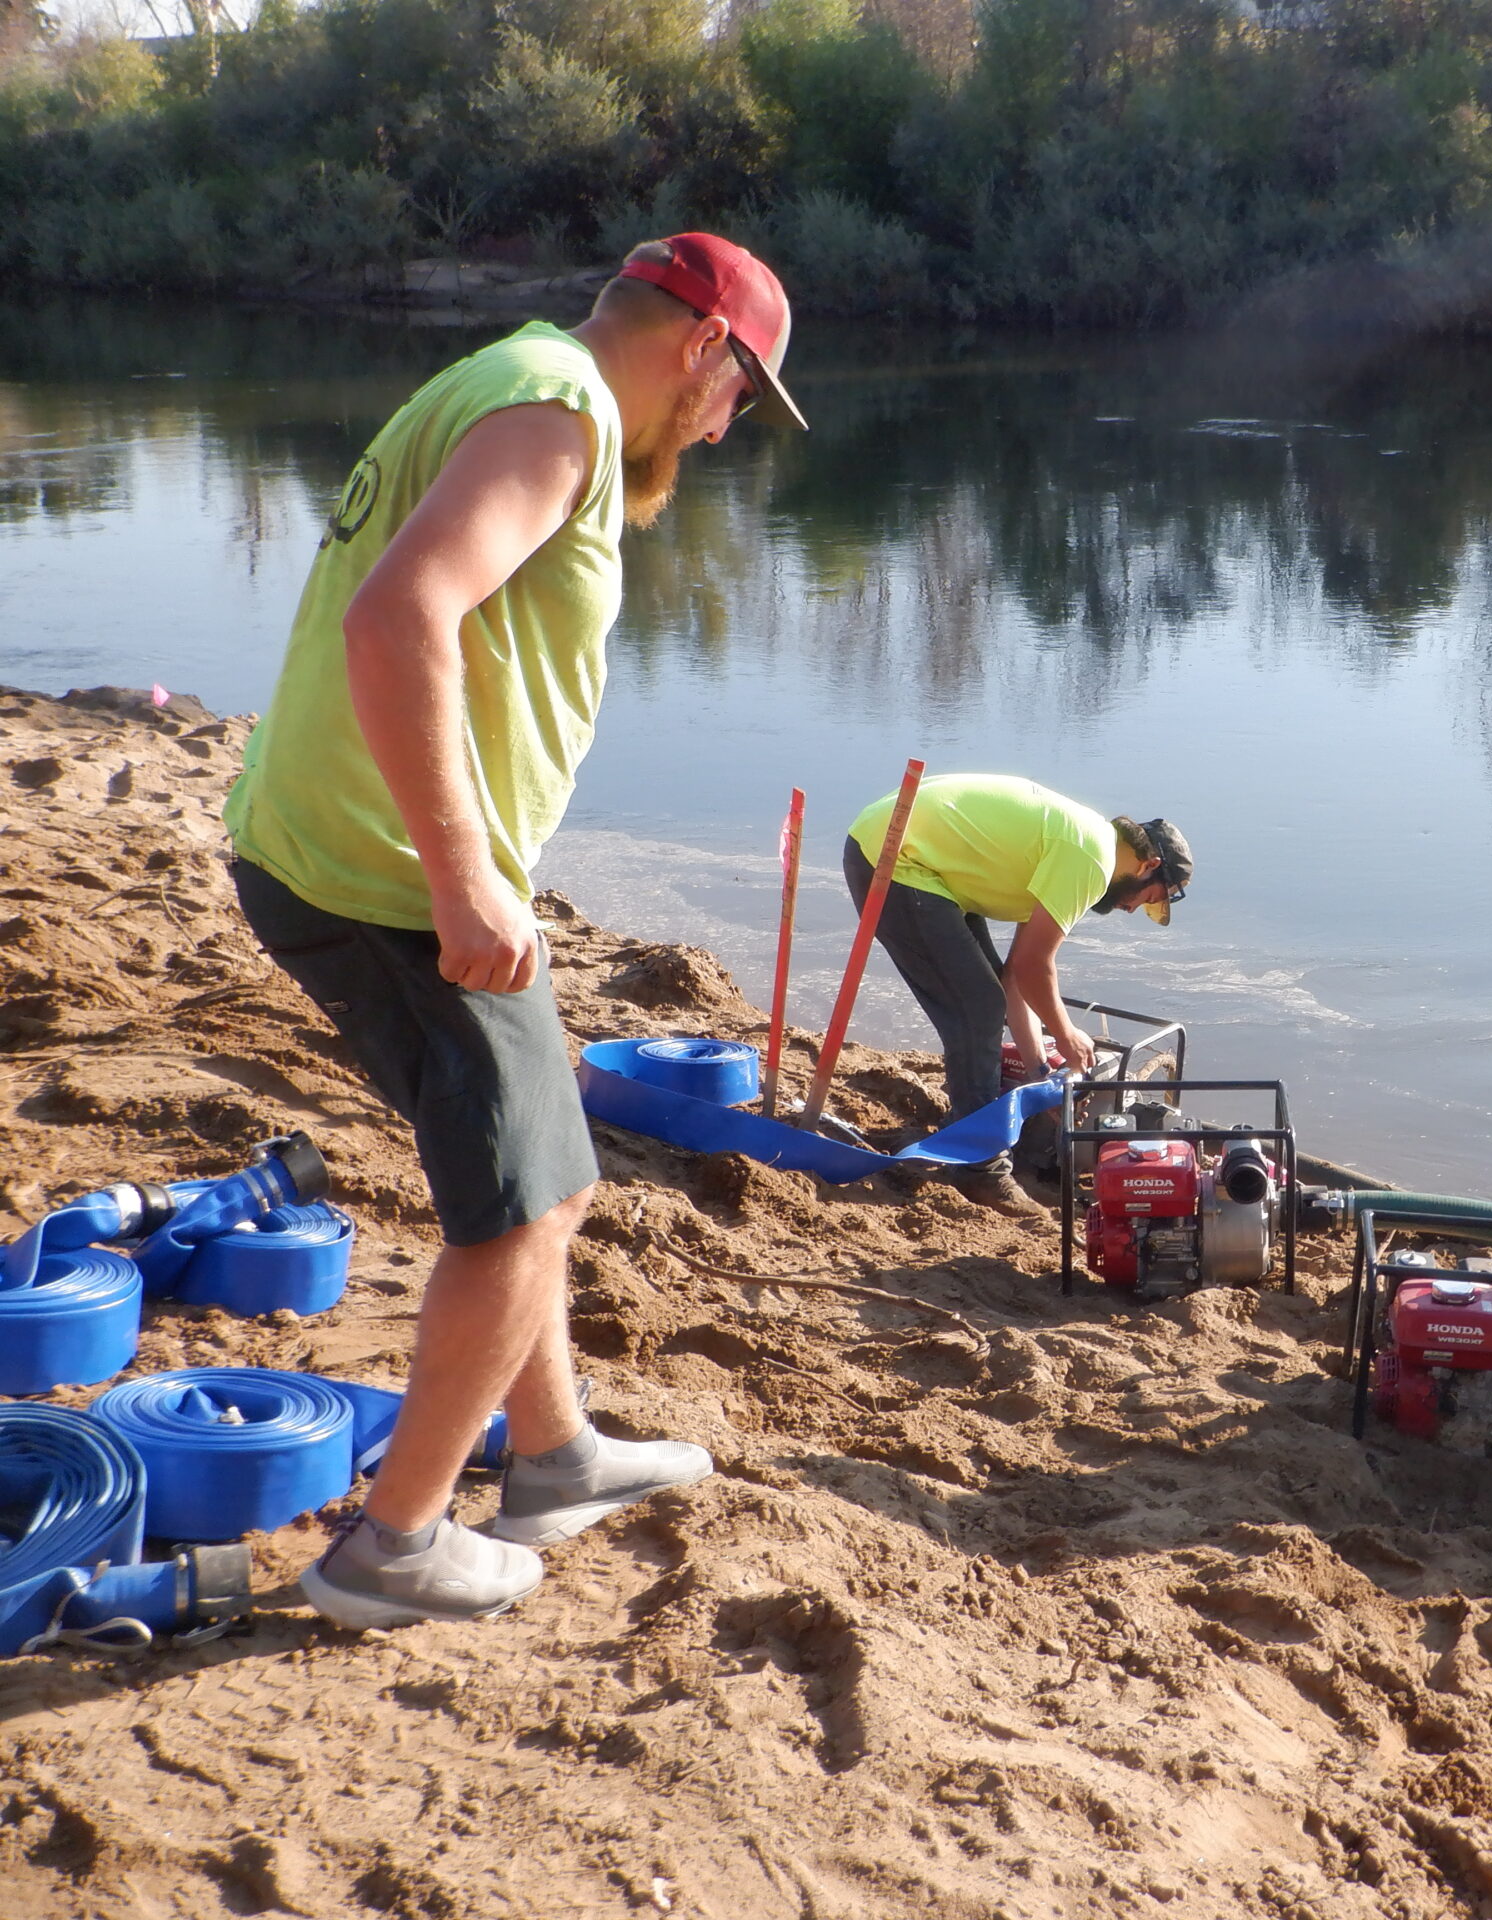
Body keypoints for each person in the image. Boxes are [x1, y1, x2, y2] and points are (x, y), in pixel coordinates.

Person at [224, 233, 808, 1628]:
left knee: (530, 1173)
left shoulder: (521, 376)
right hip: (384, 876)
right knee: (536, 1206)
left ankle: (552, 1457)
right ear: (703, 348)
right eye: (740, 397)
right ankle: (395, 1546)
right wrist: (467, 876)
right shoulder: (560, 415)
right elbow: (398, 616)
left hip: (338, 849)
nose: (727, 429)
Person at [843, 774, 1191, 1216]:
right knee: (976, 1010)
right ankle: (979, 1170)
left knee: (985, 992)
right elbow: (1033, 967)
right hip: (895, 858)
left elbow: (1014, 978)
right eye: (1149, 898)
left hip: (911, 857)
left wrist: (1039, 1069)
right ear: (1148, 864)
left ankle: (966, 1129)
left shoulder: (1085, 843)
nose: (1132, 909)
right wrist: (1066, 1035)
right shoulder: (1090, 860)